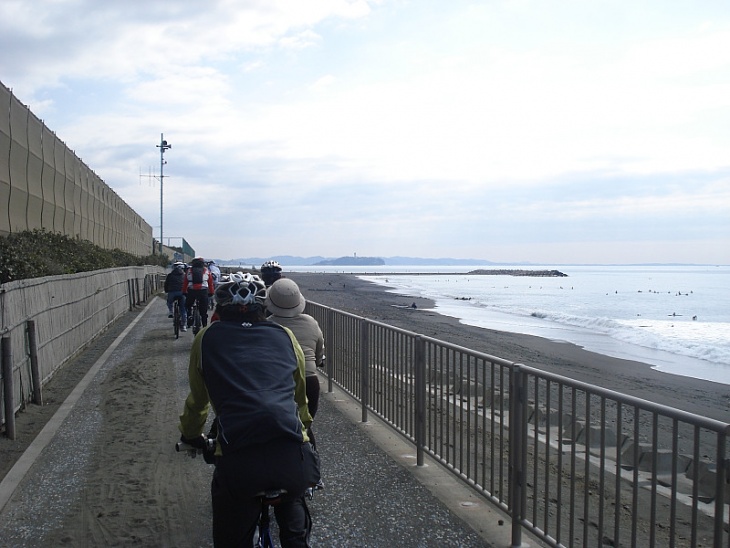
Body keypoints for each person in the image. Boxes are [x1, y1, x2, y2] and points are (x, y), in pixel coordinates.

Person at [178, 274, 320, 547]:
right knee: (293, 504)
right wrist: (303, 429)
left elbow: (198, 401)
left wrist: (191, 435)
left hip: (238, 460)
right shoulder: (285, 336)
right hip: (290, 454)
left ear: (219, 307)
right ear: (262, 306)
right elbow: (299, 398)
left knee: (231, 533)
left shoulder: (207, 338)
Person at [265, 278, 324, 450]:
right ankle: (314, 472)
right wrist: (318, 362)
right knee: (305, 429)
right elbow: (319, 351)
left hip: (277, 382)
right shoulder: (311, 322)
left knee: (272, 426)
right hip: (309, 381)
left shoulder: (266, 325)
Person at [183, 257, 215, 328]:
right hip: (203, 291)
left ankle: (189, 316)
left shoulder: (189, 271)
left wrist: (184, 292)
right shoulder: (207, 271)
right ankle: (204, 325)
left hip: (191, 291)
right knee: (203, 310)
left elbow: (185, 283)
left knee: (188, 305)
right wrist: (211, 292)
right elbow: (210, 284)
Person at [164, 261, 188, 331]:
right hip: (182, 293)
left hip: (172, 292)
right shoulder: (184, 275)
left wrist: (166, 291)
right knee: (183, 309)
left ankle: (171, 311)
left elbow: (166, 284)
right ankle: (183, 325)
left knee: (169, 302)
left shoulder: (170, 275)